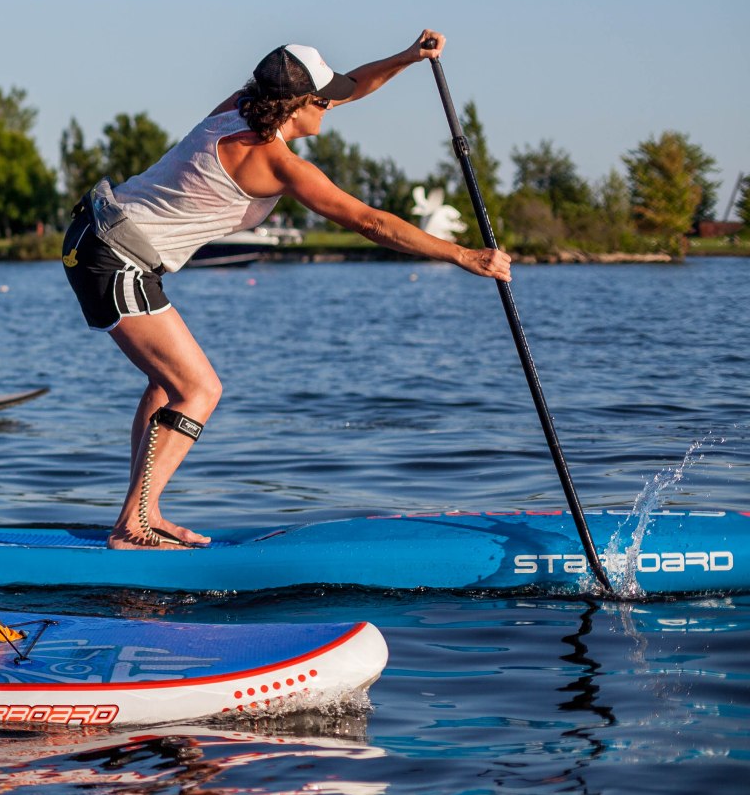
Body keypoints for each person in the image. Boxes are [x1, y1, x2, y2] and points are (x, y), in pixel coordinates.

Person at [60, 32, 511, 550]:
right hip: (114, 257)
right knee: (199, 390)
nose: (332, 106)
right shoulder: (277, 164)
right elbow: (370, 222)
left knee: (168, 385)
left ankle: (144, 512)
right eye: (323, 100)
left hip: (102, 238)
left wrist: (409, 57)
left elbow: (353, 86)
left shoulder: (238, 107)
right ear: (297, 105)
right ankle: (131, 525)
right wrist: (463, 255)